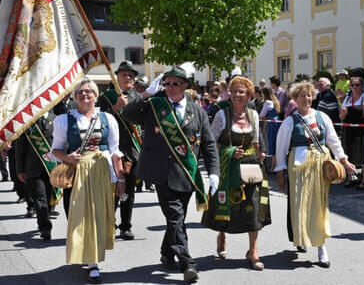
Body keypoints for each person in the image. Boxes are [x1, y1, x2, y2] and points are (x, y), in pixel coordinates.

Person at [122, 63, 219, 283]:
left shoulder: (198, 111)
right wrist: (145, 94)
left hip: (186, 172)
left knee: (177, 218)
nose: (170, 87)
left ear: (185, 85)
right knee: (175, 218)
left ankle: (167, 252)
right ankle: (188, 264)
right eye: (167, 83)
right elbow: (128, 114)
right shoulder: (155, 106)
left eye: (176, 83)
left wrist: (213, 172)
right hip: (161, 172)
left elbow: (209, 144)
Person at [275, 81, 355, 268]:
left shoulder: (322, 117)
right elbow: (281, 147)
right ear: (295, 99)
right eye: (302, 95)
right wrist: (280, 170)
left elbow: (334, 141)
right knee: (299, 204)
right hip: (299, 165)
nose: (307, 98)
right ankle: (301, 238)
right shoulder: (289, 121)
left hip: (320, 164)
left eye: (309, 95)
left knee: (319, 205)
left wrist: (344, 160)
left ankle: (321, 246)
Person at [52, 78, 125, 283]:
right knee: (78, 215)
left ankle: (93, 262)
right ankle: (86, 254)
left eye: (89, 92)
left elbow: (114, 150)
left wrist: (121, 179)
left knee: (97, 215)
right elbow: (55, 150)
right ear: (74, 97)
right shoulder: (64, 120)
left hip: (102, 171)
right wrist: (68, 158)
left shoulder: (108, 119)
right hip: (77, 174)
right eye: (80, 92)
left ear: (96, 95)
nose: (85, 95)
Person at [201, 76, 270, 271]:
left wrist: (261, 151)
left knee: (254, 209)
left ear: (249, 95)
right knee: (229, 208)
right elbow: (211, 143)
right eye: (234, 91)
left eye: (242, 92)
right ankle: (222, 236)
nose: (238, 95)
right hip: (228, 167)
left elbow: (256, 139)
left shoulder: (253, 115)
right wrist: (229, 152)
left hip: (251, 167)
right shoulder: (222, 115)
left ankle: (253, 251)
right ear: (229, 94)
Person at [98, 60, 141, 240]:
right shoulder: (106, 96)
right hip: (111, 151)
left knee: (127, 191)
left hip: (130, 152)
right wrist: (115, 107)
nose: (128, 78)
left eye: (131, 75)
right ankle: (108, 223)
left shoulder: (138, 98)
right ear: (117, 77)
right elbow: (97, 120)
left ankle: (125, 225)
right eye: (124, 75)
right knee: (111, 190)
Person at [340, 76, 364, 189]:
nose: (354, 87)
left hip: (362, 128)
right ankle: (352, 177)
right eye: (352, 85)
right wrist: (345, 114)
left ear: (362, 86)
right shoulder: (348, 98)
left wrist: (347, 113)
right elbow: (341, 116)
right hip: (348, 128)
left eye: (357, 85)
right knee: (350, 152)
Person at [260, 87, 281, 173]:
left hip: (271, 125)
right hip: (276, 123)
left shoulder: (268, 102)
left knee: (272, 144)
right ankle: (274, 166)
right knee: (276, 144)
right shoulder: (275, 101)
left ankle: (273, 167)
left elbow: (261, 115)